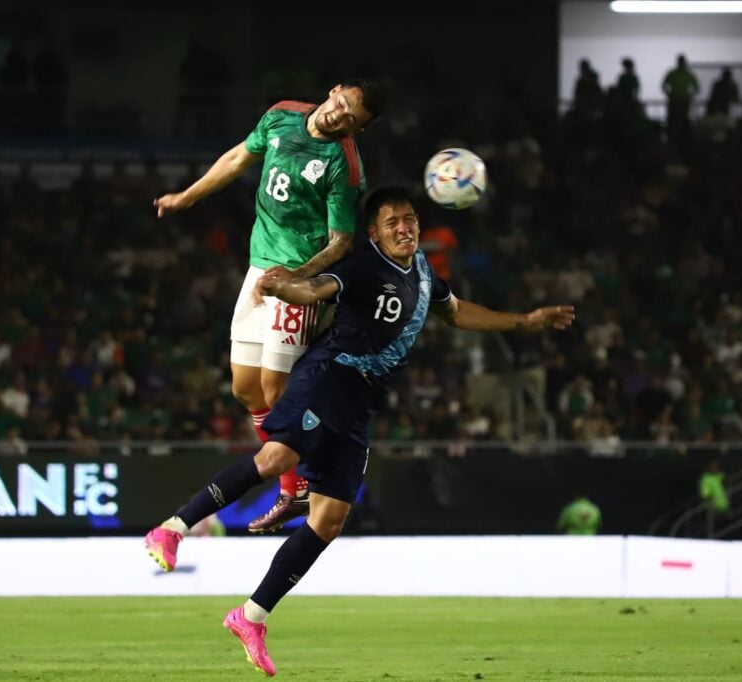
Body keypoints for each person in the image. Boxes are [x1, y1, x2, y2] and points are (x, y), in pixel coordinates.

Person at [144, 186, 575, 676]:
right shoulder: (363, 266)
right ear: (374, 233)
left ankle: (251, 616)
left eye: (410, 219)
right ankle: (172, 528)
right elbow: (318, 289)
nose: (404, 228)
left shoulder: (423, 273)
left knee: (328, 519)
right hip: (328, 378)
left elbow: (456, 313)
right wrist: (284, 287)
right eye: (392, 222)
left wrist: (525, 320)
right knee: (275, 460)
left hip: (359, 403)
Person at [152, 78, 385, 533]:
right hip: (260, 268)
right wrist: (187, 196)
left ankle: (307, 482)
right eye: (342, 104)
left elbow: (341, 242)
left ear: (357, 129)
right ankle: (294, 486)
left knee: (276, 390)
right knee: (244, 388)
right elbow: (239, 157)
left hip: (300, 280)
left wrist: (293, 280)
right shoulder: (281, 114)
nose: (339, 116)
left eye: (351, 120)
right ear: (335, 90)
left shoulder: (344, 165)